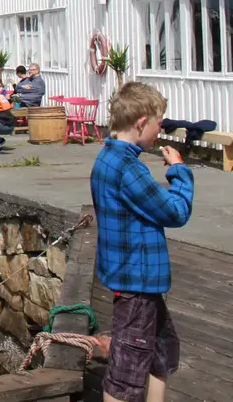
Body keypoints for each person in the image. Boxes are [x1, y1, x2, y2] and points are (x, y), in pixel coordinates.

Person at [91, 82, 192, 402]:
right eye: (158, 124)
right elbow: (175, 212)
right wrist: (179, 172)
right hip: (137, 281)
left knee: (162, 353)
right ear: (140, 123)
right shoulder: (128, 168)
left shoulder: (107, 156)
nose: (159, 131)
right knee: (125, 373)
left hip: (135, 278)